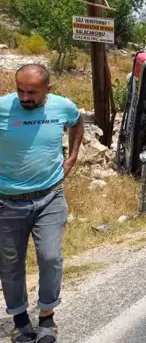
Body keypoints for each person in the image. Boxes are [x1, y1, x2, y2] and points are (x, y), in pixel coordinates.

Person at [0, 64, 84, 343]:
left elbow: (77, 122)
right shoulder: (2, 108)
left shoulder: (63, 106)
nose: (24, 97)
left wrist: (71, 157)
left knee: (50, 257)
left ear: (48, 89)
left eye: (32, 92)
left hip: (50, 197)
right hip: (7, 202)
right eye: (20, 90)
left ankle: (47, 317)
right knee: (11, 264)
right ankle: (20, 320)